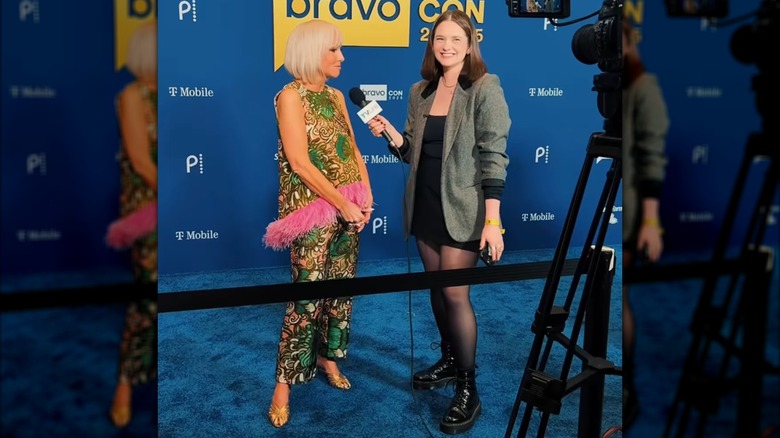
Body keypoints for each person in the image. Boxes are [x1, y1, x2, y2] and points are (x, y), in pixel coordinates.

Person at [364, 9, 510, 435]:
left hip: (465, 207)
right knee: (436, 289)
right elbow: (412, 151)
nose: (447, 46)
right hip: (425, 203)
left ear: (469, 44)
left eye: (455, 39)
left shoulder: (484, 87)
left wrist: (493, 221)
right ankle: (448, 359)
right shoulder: (420, 91)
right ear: (431, 43)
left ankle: (468, 387)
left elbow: (494, 155)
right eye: (440, 39)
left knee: (455, 294)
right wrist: (392, 135)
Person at [261, 19, 374, 429]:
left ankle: (328, 358)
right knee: (305, 298)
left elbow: (353, 149)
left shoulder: (337, 96)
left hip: (350, 208)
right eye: (334, 50)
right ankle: (283, 385)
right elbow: (300, 163)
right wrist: (342, 203)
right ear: (312, 53)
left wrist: (366, 195)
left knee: (340, 292)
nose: (342, 57)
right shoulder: (290, 96)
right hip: (312, 213)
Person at [108, 20, 159, 429]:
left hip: (172, 204)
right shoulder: (132, 96)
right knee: (145, 300)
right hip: (149, 210)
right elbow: (141, 161)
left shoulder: (172, 94)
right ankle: (125, 383)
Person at [621, 19, 669, 431]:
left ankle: (629, 386)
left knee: (623, 298)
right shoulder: (615, 88)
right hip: (619, 194)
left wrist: (651, 222)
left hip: (636, 207)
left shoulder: (644, 87)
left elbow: (653, 157)